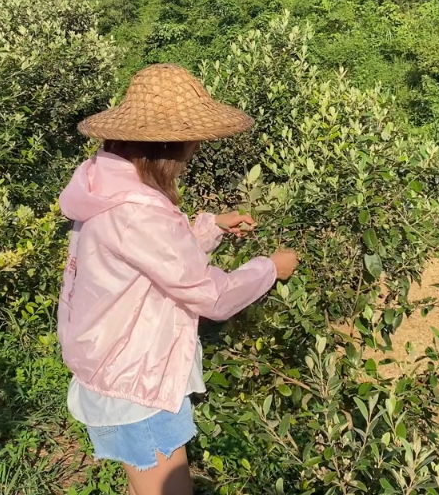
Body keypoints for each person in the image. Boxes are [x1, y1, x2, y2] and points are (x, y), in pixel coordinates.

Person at [56, 63, 298, 495]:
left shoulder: (104, 187)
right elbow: (210, 294)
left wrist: (213, 227)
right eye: (190, 144)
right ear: (167, 147)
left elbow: (155, 259)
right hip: (137, 381)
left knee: (142, 485)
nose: (193, 154)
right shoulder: (138, 212)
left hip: (108, 366)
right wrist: (270, 269)